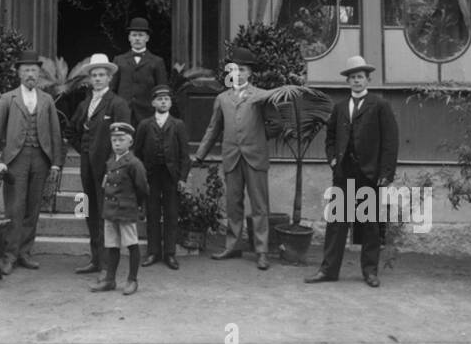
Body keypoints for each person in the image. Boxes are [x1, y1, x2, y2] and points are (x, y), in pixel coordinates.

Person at [192, 48, 295, 271]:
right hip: (231, 157)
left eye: (244, 70)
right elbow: (213, 129)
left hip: (255, 157)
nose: (239, 74)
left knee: (259, 205)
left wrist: (259, 137)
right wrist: (200, 154)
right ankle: (232, 245)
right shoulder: (222, 98)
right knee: (233, 204)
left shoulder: (261, 96)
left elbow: (276, 124)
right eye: (235, 69)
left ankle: (261, 251)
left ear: (250, 74)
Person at [306, 56, 399, 288]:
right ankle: (328, 270)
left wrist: (386, 173)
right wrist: (333, 160)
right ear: (348, 81)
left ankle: (370, 272)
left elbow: (390, 141)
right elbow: (330, 139)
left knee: (369, 224)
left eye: (360, 77)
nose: (356, 81)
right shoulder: (339, 107)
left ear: (368, 79)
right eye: (352, 77)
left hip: (369, 174)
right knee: (336, 224)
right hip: (343, 173)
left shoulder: (379, 105)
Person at [0, 51, 64, 276]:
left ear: (39, 74)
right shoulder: (7, 98)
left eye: (34, 70)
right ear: (19, 73)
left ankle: (25, 252)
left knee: (33, 208)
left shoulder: (47, 99)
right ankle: (8, 254)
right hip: (15, 160)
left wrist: (56, 163)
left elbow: (55, 133)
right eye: (26, 70)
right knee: (14, 207)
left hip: (41, 158)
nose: (31, 74)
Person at [67, 53, 132, 277]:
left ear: (109, 78)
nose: (97, 79)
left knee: (107, 212)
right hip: (87, 166)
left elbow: (123, 139)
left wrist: (113, 165)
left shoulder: (117, 104)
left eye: (102, 75)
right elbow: (71, 130)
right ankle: (95, 258)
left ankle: (107, 262)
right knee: (89, 209)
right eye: (94, 75)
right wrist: (85, 149)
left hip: (108, 168)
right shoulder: (85, 104)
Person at [133, 84, 192, 270]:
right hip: (151, 175)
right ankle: (153, 252)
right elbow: (137, 152)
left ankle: (170, 253)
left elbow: (184, 154)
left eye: (166, 99)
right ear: (153, 102)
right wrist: (140, 176)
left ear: (171, 102)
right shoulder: (144, 125)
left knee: (171, 213)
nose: (163, 102)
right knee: (152, 212)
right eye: (159, 99)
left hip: (171, 176)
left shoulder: (178, 125)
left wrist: (182, 178)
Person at [91, 122, 149, 296]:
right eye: (114, 140)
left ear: (130, 142)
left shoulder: (134, 163)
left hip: (126, 210)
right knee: (112, 245)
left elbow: (142, 188)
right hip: (110, 210)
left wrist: (139, 207)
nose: (117, 143)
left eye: (121, 140)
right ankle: (110, 279)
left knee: (131, 244)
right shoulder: (110, 162)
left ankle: (132, 280)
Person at [112, 17, 169, 123]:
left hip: (147, 114)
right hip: (123, 113)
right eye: (134, 35)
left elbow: (162, 91)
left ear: (147, 38)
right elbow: (112, 89)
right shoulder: (119, 60)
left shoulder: (157, 61)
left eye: (141, 35)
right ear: (129, 38)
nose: (137, 38)